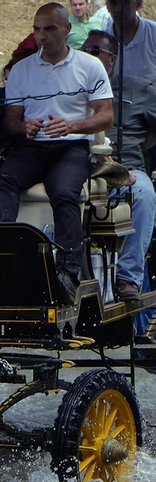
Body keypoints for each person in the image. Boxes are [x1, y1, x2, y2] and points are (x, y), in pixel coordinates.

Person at [0, 3, 113, 290]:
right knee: (5, 179)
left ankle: (68, 272)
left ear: (67, 29)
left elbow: (106, 116)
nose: (41, 36)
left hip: (71, 146)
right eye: (37, 29)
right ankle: (6, 252)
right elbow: (11, 122)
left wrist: (71, 126)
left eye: (49, 29)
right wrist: (25, 127)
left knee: (63, 191)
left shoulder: (89, 65)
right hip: (34, 146)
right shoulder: (22, 69)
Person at [83, 29, 156, 306]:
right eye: (83, 50)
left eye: (94, 51)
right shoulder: (71, 84)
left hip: (125, 170)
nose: (86, 56)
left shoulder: (137, 90)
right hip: (80, 168)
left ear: (111, 59)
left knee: (144, 193)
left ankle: (128, 277)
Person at [91, 0, 156, 85]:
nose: (118, 8)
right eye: (113, 3)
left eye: (125, 2)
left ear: (138, 4)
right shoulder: (101, 42)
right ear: (107, 6)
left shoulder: (153, 33)